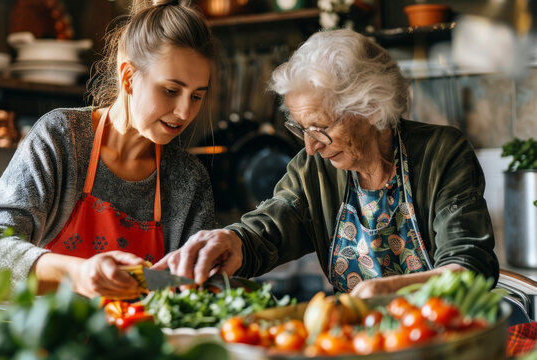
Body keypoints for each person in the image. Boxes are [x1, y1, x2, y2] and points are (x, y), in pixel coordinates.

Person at [154, 29, 499, 298]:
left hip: (445, 337)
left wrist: (390, 292)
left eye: (321, 128)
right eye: (302, 129)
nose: (311, 146)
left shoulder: (442, 152)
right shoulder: (312, 169)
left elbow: (469, 265)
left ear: (372, 110)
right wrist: (231, 241)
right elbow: (269, 228)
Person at [0, 0, 217, 300]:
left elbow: (200, 293)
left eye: (197, 96)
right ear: (128, 77)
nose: (185, 112)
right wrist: (77, 273)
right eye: (171, 91)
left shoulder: (188, 180)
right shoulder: (61, 139)